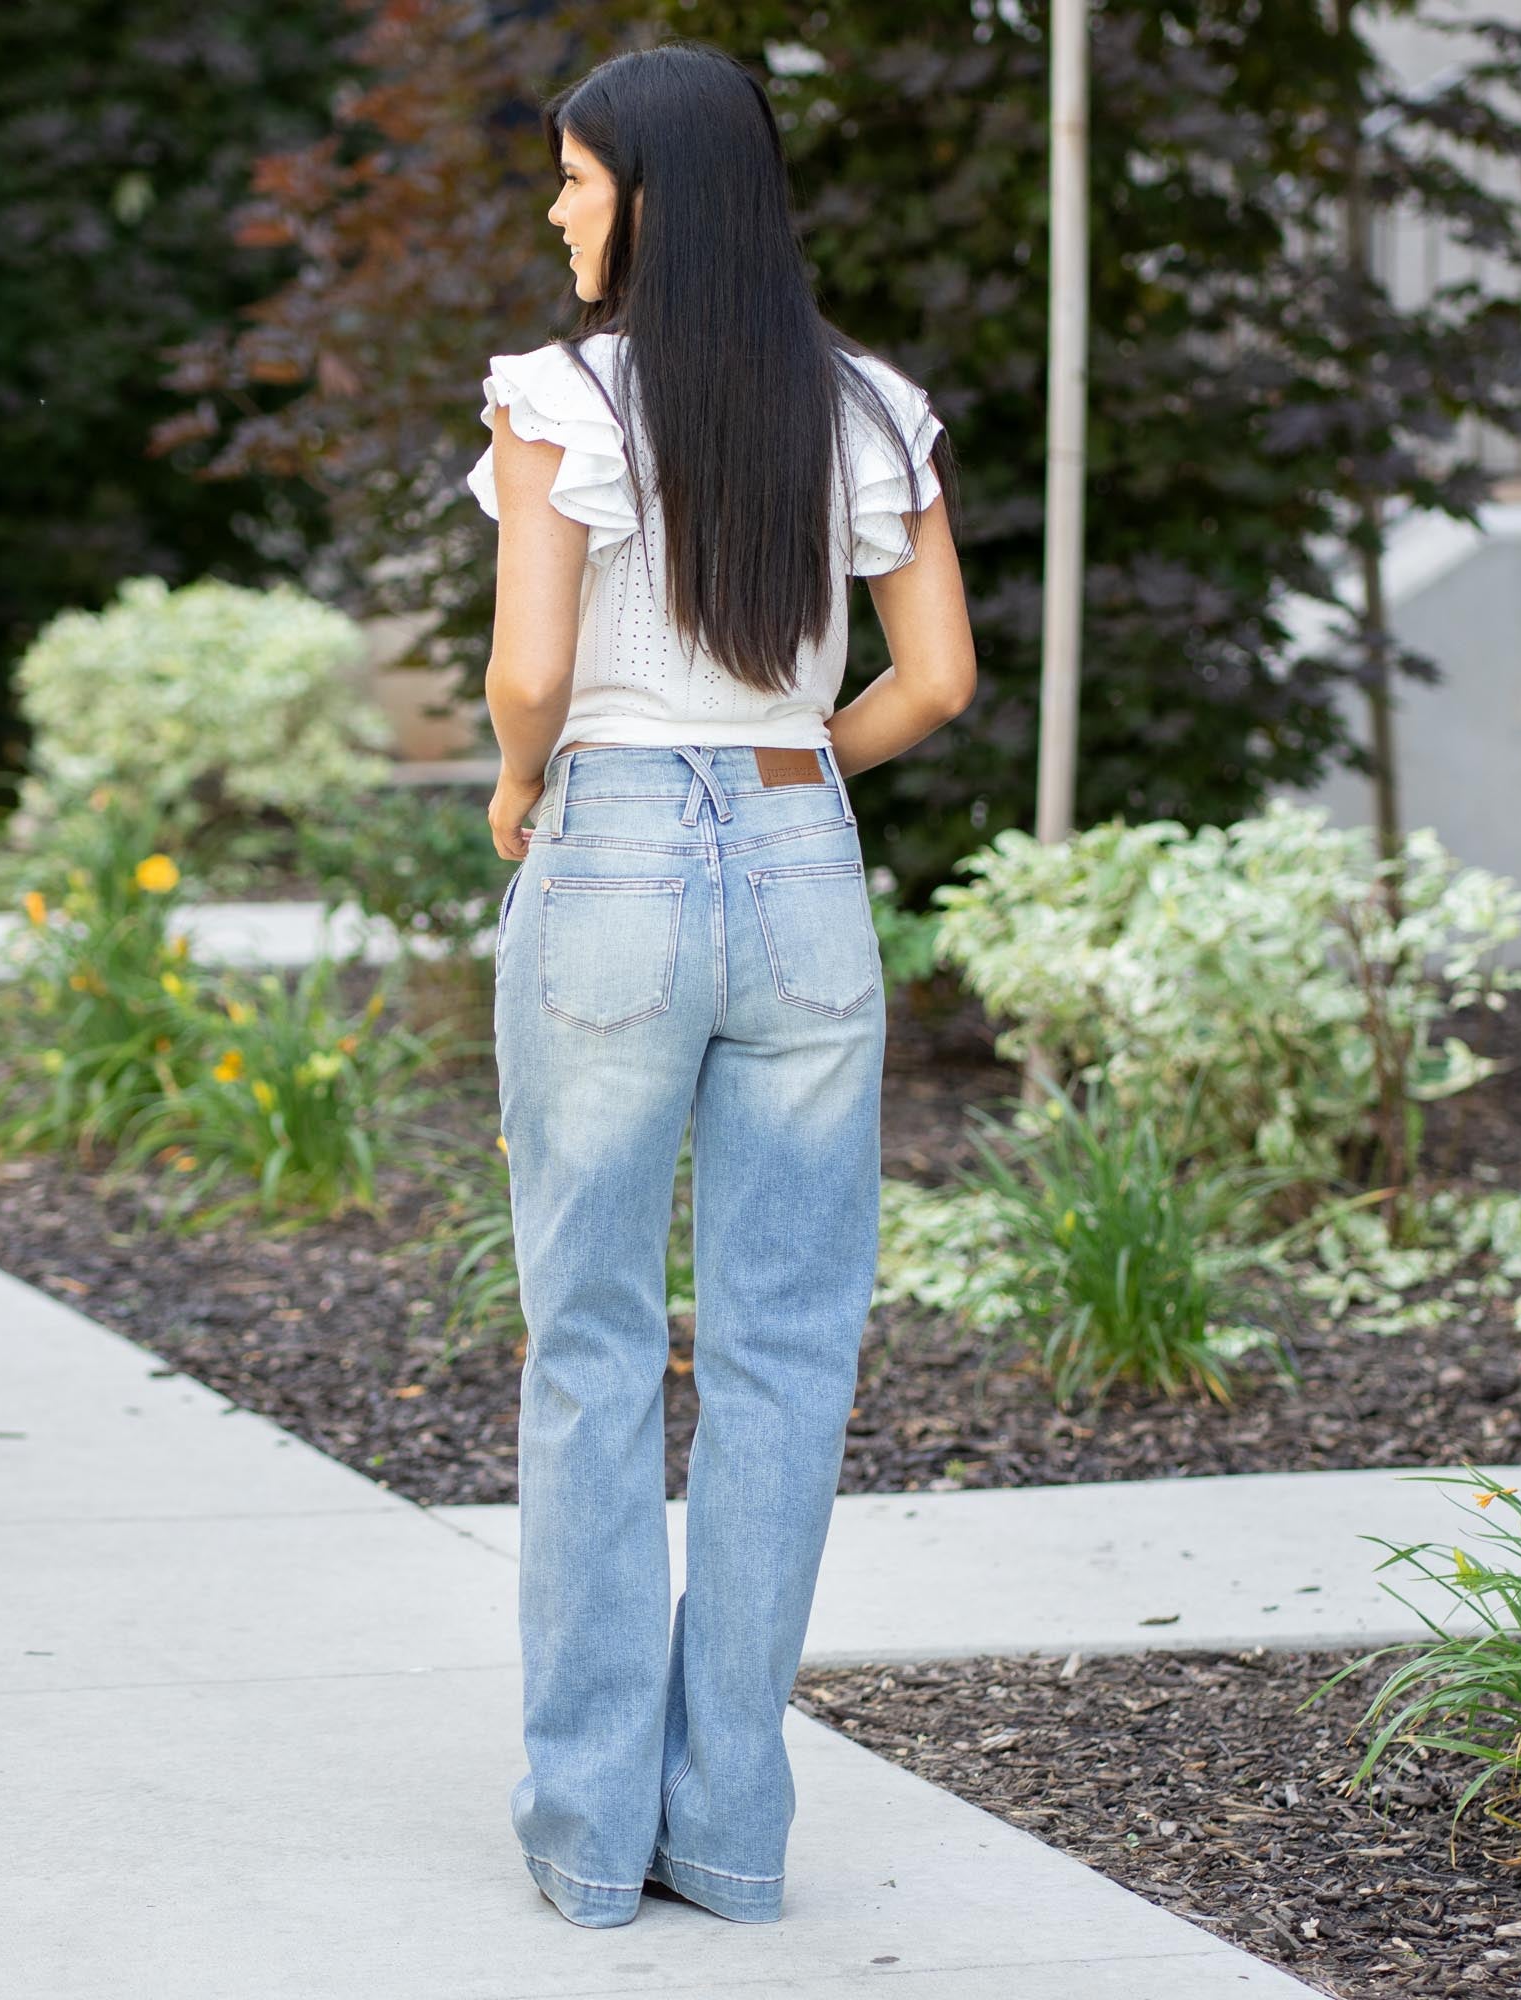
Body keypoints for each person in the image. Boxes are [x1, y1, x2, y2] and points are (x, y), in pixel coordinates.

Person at [464, 40, 976, 1930]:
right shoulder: (870, 407)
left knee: (592, 1344)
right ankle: (730, 1833)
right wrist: (796, 766)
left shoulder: (561, 395)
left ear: (652, 196)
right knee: (785, 1351)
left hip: (608, 845)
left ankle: (594, 1839)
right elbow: (938, 680)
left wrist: (520, 783)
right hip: (796, 852)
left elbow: (533, 669)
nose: (558, 210)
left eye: (577, 178)